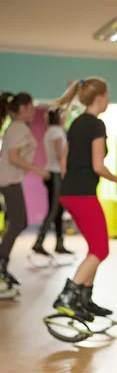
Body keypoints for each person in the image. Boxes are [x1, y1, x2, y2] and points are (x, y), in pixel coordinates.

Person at [52, 78, 117, 321]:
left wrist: (72, 181)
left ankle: (84, 299)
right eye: (108, 96)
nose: (108, 100)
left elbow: (64, 160)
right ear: (99, 97)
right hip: (83, 194)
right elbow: (98, 165)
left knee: (94, 247)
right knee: (100, 248)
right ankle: (68, 296)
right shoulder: (96, 125)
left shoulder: (76, 123)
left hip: (69, 192)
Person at [0, 92, 49, 287]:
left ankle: (2, 262)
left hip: (11, 180)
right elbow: (13, 157)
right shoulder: (18, 128)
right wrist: (37, 169)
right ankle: (1, 263)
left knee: (20, 222)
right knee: (19, 222)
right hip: (9, 181)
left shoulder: (17, 127)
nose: (33, 111)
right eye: (31, 107)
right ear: (23, 109)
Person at [32, 107, 72, 256]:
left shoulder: (53, 131)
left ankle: (59, 243)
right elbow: (61, 155)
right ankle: (39, 242)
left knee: (58, 211)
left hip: (55, 173)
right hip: (56, 174)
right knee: (54, 209)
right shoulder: (56, 132)